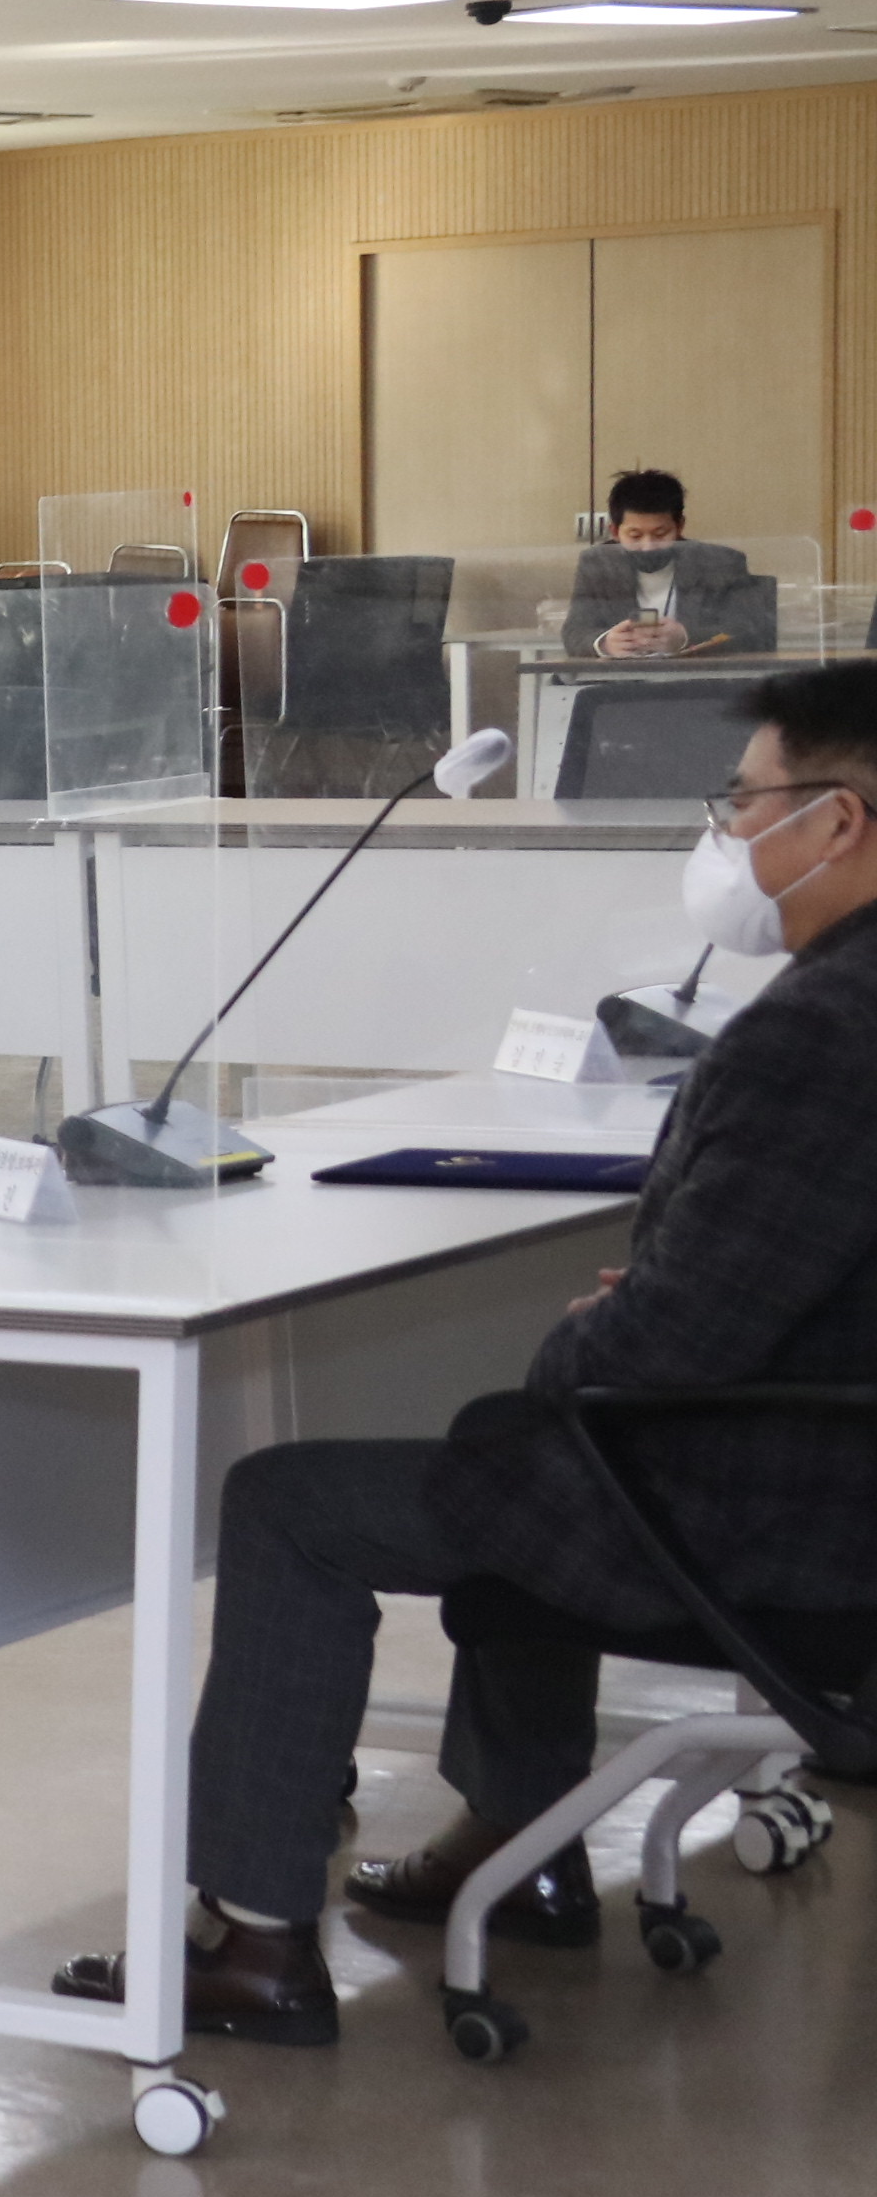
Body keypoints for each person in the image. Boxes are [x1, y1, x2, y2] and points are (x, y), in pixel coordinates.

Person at [162, 660, 877, 2046]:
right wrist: (653, 1305)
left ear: (836, 822)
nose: (726, 834)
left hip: (769, 1514)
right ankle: (521, 1845)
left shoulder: (814, 1033)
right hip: (825, 1473)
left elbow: (668, 1348)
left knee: (297, 1499)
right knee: (510, 1443)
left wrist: (596, 1329)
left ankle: (253, 1942)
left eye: (743, 803)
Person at [568, 470, 756, 660]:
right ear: (615, 532)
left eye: (660, 534)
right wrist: (605, 644)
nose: (648, 547)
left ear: (680, 526)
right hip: (622, 675)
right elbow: (575, 632)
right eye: (635, 536)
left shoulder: (721, 563)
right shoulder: (598, 564)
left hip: (696, 673)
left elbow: (746, 631)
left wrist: (686, 637)